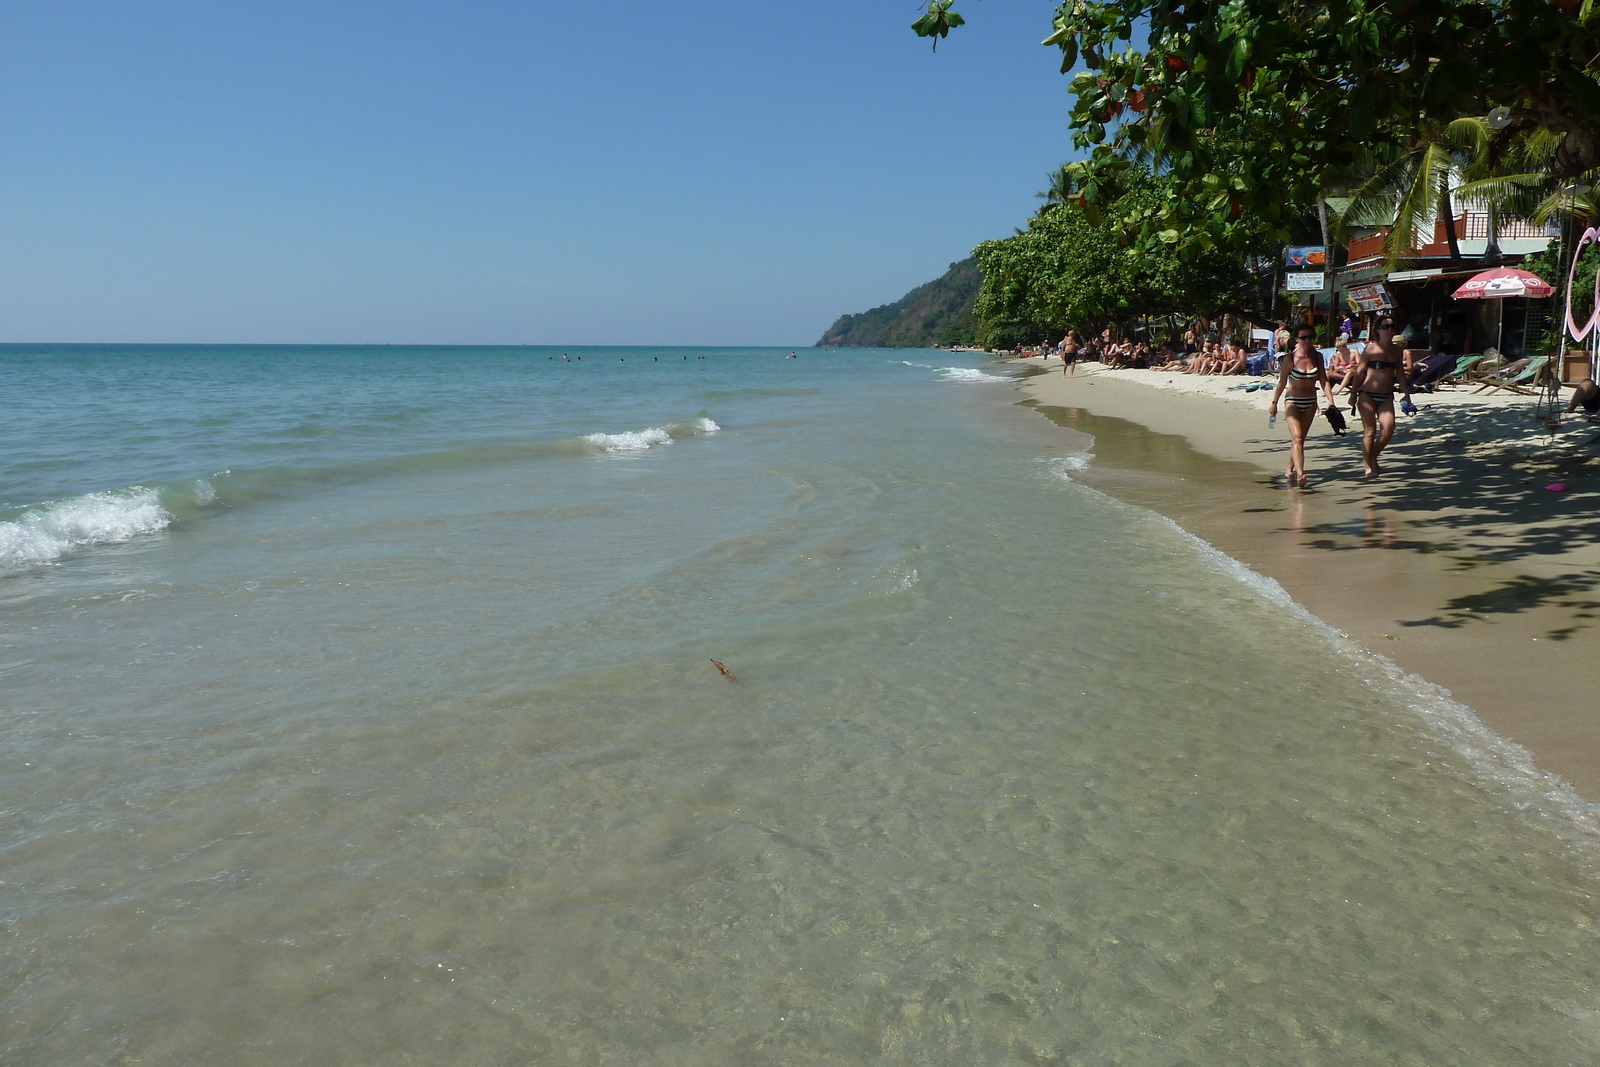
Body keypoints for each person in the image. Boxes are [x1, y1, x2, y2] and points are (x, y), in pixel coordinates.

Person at [1268, 325, 1338, 488]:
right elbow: (1281, 383)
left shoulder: (1318, 356)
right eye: (1303, 337)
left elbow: (1323, 379)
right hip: (1292, 401)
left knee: (1299, 439)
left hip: (1310, 403)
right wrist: (1274, 403)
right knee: (1298, 437)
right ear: (1297, 339)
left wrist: (1330, 400)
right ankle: (1301, 474)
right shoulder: (1289, 359)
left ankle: (1289, 469)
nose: (1307, 341)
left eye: (1310, 337)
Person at [1346, 314, 1412, 478]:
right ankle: (1368, 466)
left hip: (1387, 396)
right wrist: (1353, 394)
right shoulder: (1371, 349)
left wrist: (1407, 395)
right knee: (1370, 432)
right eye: (1385, 327)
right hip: (1367, 395)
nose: (1389, 330)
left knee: (1388, 430)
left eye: (1392, 326)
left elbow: (1401, 374)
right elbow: (1359, 372)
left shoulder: (1398, 350)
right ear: (1378, 330)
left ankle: (1372, 456)